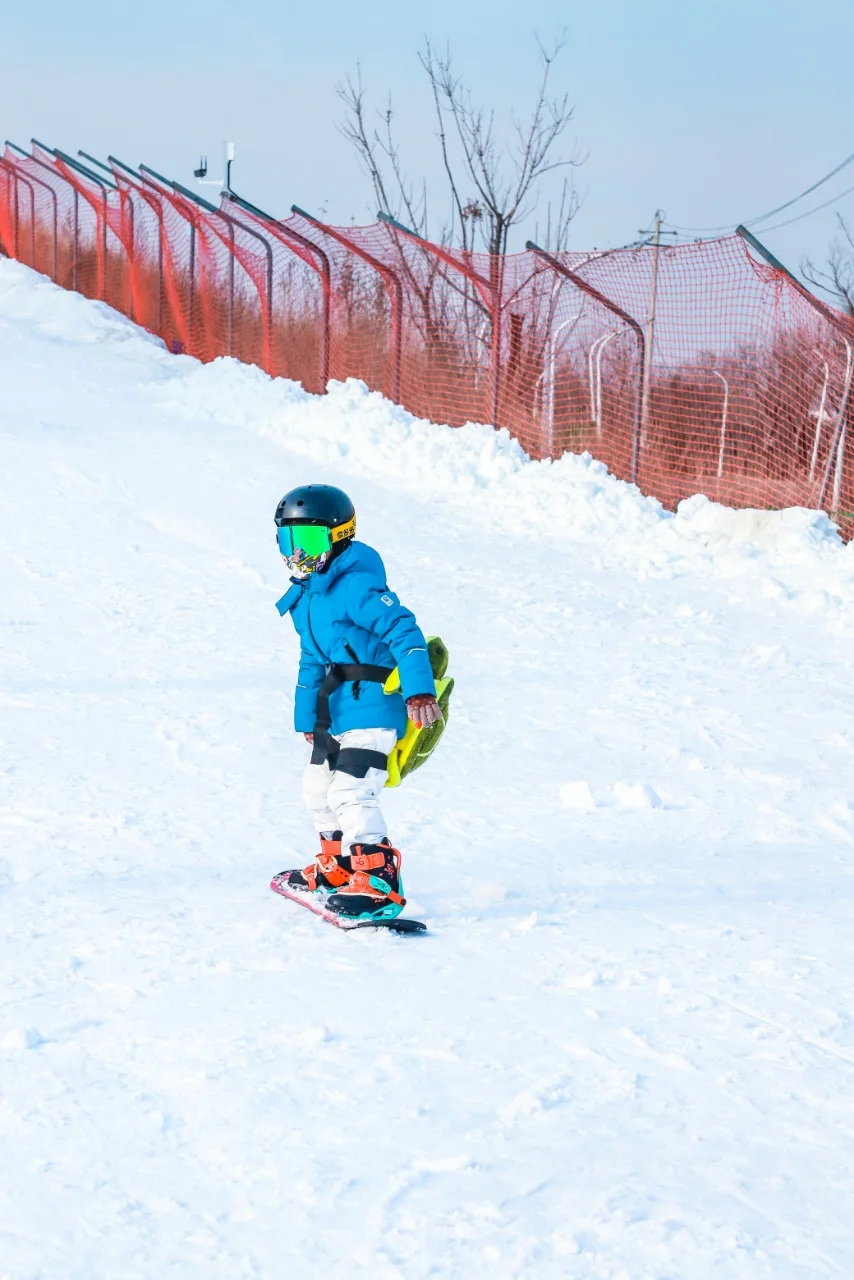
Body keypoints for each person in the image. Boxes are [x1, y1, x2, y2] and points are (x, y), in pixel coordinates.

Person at [273, 483, 442, 922]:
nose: (297, 553)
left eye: (307, 540)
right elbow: (312, 658)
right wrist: (306, 717)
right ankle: (336, 869)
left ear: (339, 535)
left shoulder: (356, 586)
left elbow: (404, 631)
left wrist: (419, 689)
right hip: (337, 711)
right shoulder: (310, 595)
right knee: (315, 789)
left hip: (376, 705)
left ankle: (379, 881)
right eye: (288, 540)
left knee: (351, 789)